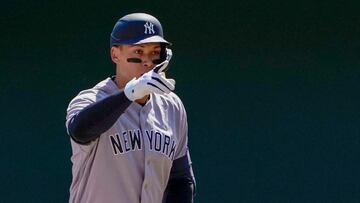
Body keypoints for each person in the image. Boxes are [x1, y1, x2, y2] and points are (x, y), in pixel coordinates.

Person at [65, 13, 196, 203]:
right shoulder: (91, 99)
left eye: (154, 53)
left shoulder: (172, 106)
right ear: (115, 54)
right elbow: (80, 131)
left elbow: (180, 179)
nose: (148, 61)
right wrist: (130, 93)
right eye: (138, 52)